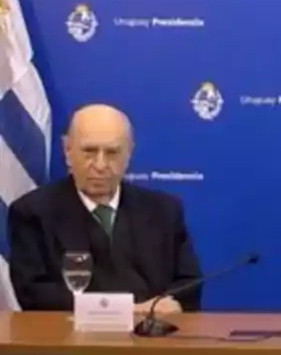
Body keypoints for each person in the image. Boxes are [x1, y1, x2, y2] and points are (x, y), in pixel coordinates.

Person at [6, 104, 202, 312]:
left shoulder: (164, 211)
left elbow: (188, 284)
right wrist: (120, 310)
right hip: (69, 340)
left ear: (129, 154)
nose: (100, 165)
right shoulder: (33, 213)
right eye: (89, 151)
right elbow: (32, 293)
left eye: (112, 153)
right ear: (67, 151)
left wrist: (167, 305)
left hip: (152, 338)